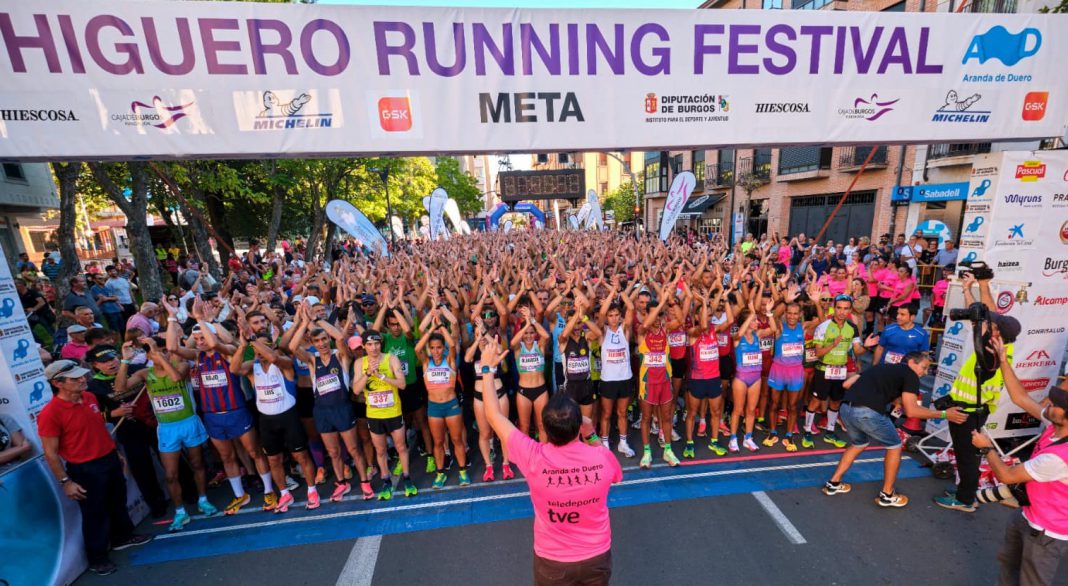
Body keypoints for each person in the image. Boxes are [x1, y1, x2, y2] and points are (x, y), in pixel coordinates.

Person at [476, 335, 621, 586]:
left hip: (552, 561)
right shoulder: (601, 457)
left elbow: (493, 415)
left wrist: (487, 369)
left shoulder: (534, 457)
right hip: (596, 557)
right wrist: (592, 434)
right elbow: (617, 475)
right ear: (578, 427)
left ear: (544, 427)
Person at [38, 360, 153, 576]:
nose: (83, 380)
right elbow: (50, 453)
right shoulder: (50, 414)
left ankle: (122, 537)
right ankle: (97, 558)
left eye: (82, 376)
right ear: (58, 383)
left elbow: (98, 428)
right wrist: (66, 482)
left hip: (108, 459)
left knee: (118, 501)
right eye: (75, 378)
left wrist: (115, 452)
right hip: (84, 469)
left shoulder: (89, 398)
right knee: (94, 514)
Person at [973, 339, 1068, 586]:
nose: (1050, 405)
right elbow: (1020, 397)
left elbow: (1006, 475)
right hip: (1027, 515)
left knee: (1032, 581)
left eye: (1058, 405)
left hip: (1046, 533)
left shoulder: (1058, 458)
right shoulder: (1055, 426)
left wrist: (987, 448)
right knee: (1007, 566)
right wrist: (1004, 361)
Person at [823, 351, 966, 507]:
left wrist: (894, 399)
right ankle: (887, 494)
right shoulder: (910, 375)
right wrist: (945, 414)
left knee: (859, 444)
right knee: (894, 445)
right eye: (924, 368)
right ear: (911, 362)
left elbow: (847, 384)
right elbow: (912, 411)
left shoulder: (881, 367)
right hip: (867, 412)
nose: (925, 373)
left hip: (846, 409)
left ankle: (833, 483)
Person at [935, 273, 1022, 513]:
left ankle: (966, 500)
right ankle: (966, 491)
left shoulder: (990, 353)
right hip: (972, 410)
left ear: (996, 333)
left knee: (967, 456)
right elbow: (985, 313)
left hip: (967, 412)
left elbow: (982, 318)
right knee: (966, 454)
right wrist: (970, 288)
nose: (987, 325)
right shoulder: (1004, 344)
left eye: (991, 327)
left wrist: (974, 290)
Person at [114, 336, 220, 531]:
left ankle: (203, 499)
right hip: (167, 428)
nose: (161, 354)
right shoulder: (145, 373)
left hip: (188, 422)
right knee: (171, 475)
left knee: (197, 464)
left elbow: (176, 378)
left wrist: (160, 355)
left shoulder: (181, 366)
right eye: (155, 352)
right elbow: (120, 389)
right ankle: (180, 512)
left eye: (164, 351)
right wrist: (125, 361)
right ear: (147, 356)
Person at [231, 310, 320, 512]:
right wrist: (244, 344)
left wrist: (253, 338)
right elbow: (234, 369)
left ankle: (312, 490)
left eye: (267, 346)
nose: (263, 351)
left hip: (288, 416)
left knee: (301, 456)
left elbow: (272, 356)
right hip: (267, 420)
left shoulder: (284, 364)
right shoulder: (252, 367)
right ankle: (284, 493)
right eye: (259, 348)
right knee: (273, 459)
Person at [353, 329, 417, 500]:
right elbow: (356, 389)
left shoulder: (391, 358)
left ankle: (407, 478)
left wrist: (382, 376)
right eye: (370, 344)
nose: (374, 348)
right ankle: (386, 480)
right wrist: (368, 374)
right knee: (380, 450)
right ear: (364, 346)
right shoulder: (360, 363)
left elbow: (402, 384)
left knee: (401, 446)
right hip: (374, 414)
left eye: (376, 344)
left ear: (380, 344)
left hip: (393, 411)